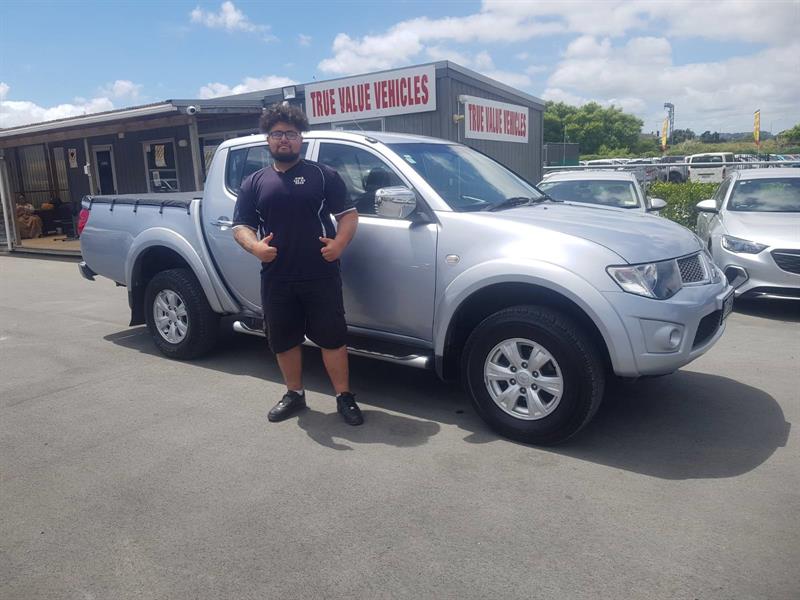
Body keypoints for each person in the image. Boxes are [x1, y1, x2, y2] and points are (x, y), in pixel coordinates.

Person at [232, 103, 363, 426]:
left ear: (300, 138)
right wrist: (255, 247)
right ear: (267, 139)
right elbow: (241, 226)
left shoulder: (323, 175)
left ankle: (344, 396)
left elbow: (348, 215)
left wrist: (339, 245)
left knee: (332, 337)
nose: (284, 140)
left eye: (290, 134)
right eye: (277, 134)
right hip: (277, 276)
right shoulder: (254, 182)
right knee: (284, 338)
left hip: (321, 273)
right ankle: (294, 394)